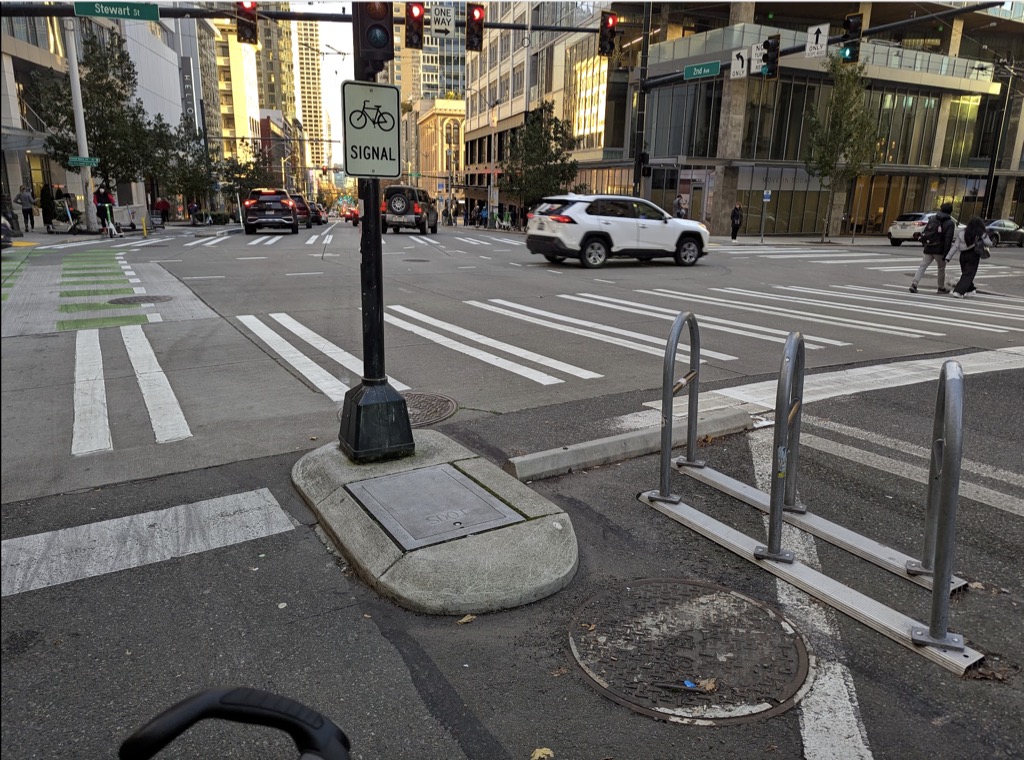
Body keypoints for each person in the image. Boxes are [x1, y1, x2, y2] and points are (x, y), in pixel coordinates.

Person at [909, 202, 955, 294]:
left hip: (929, 247)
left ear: (941, 209)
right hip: (940, 249)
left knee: (922, 266)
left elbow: (926, 232)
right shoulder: (950, 223)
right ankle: (940, 287)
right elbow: (948, 239)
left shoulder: (933, 218)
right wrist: (946, 254)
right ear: (950, 211)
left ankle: (914, 283)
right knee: (941, 268)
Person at [946, 216, 990, 299]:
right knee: (968, 274)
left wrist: (948, 257)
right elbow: (989, 243)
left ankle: (970, 290)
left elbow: (955, 246)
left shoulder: (962, 233)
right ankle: (958, 291)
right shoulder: (981, 233)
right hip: (973, 255)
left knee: (966, 273)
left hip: (963, 255)